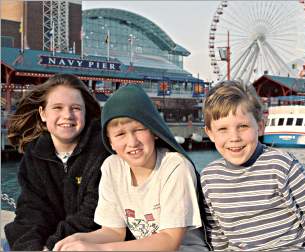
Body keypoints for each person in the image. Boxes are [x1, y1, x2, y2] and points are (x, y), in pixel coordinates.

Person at [53, 84, 210, 251]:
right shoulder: (112, 167)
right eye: (120, 134)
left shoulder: (175, 166)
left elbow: (170, 240)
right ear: (110, 142)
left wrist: (101, 249)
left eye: (139, 129)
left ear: (154, 131)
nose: (132, 142)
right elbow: (113, 231)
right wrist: (76, 239)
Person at [201, 81, 305, 251]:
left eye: (243, 126)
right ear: (210, 133)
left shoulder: (282, 165)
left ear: (260, 127)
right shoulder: (209, 178)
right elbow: (217, 235)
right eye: (223, 129)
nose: (234, 137)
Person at [4, 74, 112, 250]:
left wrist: (53, 245)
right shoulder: (34, 154)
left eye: (76, 108)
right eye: (57, 107)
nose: (67, 115)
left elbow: (92, 213)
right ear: (43, 113)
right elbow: (31, 210)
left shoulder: (102, 151)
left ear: (86, 112)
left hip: (91, 240)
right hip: (51, 239)